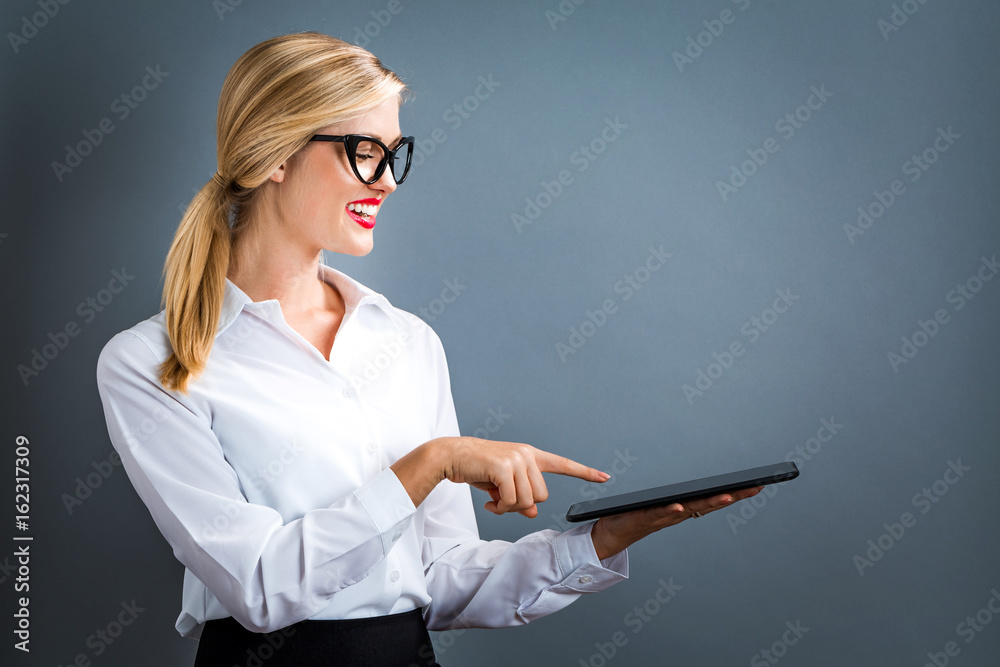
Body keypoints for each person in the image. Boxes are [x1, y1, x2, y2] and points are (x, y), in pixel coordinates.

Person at [95, 32, 762, 666]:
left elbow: (439, 579)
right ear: (274, 153)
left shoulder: (407, 341)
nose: (387, 180)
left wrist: (604, 539)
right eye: (363, 149)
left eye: (395, 153)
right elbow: (262, 587)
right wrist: (430, 463)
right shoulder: (148, 364)